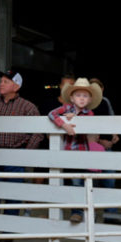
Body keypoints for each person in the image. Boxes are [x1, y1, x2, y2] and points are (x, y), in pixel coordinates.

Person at [0, 70, 42, 234]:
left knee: (13, 195)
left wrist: (24, 155)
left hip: (15, 156)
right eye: (1, 81)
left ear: (16, 86)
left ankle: (8, 231)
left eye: (6, 81)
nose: (1, 84)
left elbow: (38, 133)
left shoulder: (27, 107)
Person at [47, 77, 102, 223]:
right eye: (78, 95)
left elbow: (91, 125)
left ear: (90, 99)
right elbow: (51, 114)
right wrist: (64, 124)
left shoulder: (89, 114)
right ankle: (76, 211)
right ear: (71, 97)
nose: (81, 99)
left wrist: (75, 117)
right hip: (70, 154)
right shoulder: (65, 108)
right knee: (74, 182)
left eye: (85, 96)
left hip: (84, 154)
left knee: (85, 182)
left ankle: (87, 211)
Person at [89, 78, 120, 222]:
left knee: (110, 181)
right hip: (92, 147)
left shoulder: (105, 101)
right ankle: (91, 216)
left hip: (107, 147)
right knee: (92, 183)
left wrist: (114, 134)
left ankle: (110, 216)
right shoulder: (86, 102)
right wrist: (102, 142)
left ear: (102, 89)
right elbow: (87, 130)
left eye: (99, 87)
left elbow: (111, 118)